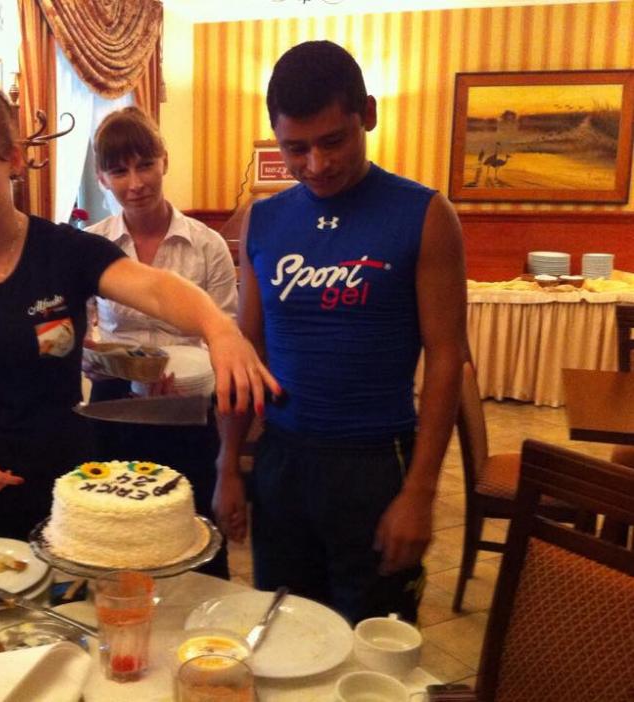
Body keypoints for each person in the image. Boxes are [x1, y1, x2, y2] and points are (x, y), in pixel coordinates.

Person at [0, 76, 279, 553]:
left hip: (61, 497)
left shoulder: (65, 252)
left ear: (13, 160)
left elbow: (156, 290)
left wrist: (218, 327)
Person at [214, 41, 467, 624]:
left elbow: (449, 360)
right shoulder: (266, 218)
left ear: (367, 115)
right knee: (284, 632)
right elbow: (244, 352)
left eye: (334, 141)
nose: (316, 165)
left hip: (378, 463)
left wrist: (420, 494)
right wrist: (228, 465)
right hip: (283, 461)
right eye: (295, 148)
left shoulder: (425, 215)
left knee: (373, 645)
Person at [84, 107, 238, 578]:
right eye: (119, 170)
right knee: (120, 538)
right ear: (102, 177)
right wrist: (108, 365)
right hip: (116, 409)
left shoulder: (206, 244)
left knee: (192, 536)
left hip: (188, 408)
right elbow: (83, 334)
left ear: (164, 161)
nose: (136, 182)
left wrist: (190, 379)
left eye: (145, 164)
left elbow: (226, 333)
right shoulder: (92, 245)